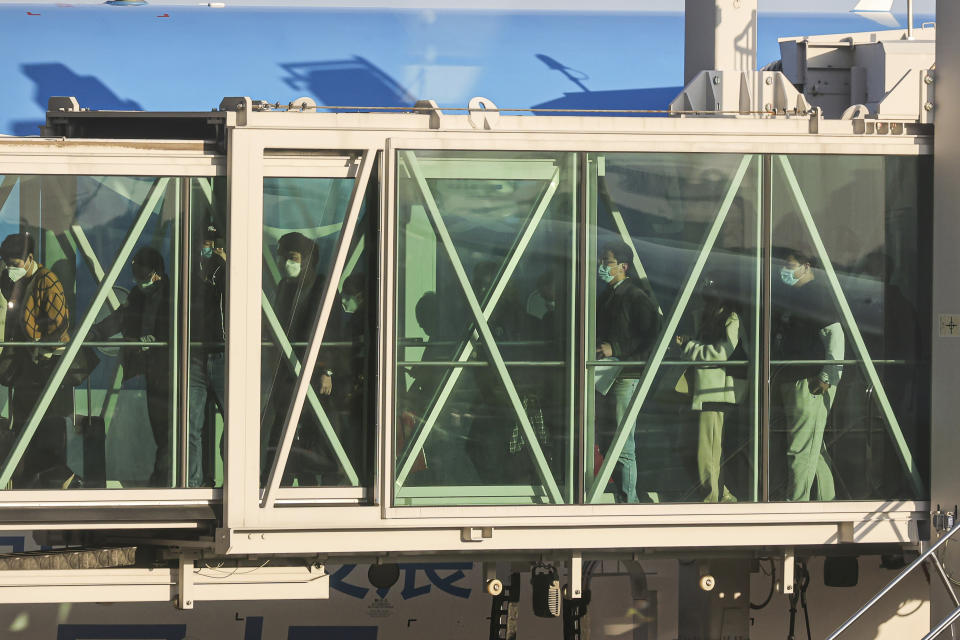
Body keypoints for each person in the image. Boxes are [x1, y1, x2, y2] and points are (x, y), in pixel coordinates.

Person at [91, 247, 171, 486]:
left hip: (166, 369)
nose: (139, 282)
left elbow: (178, 327)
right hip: (143, 369)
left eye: (143, 277)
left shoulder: (173, 295)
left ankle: (163, 478)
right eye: (136, 277)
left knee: (165, 427)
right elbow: (119, 318)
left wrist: (158, 342)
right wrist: (95, 332)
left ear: (156, 273)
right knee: (151, 425)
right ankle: (155, 477)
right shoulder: (137, 295)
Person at [0, 232, 74, 488]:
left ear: (30, 259)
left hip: (43, 364)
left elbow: (59, 322)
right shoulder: (17, 282)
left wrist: (42, 346)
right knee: (26, 426)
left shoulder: (47, 281)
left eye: (15, 264)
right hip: (27, 365)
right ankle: (34, 479)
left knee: (41, 428)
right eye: (7, 264)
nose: (11, 269)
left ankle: (62, 480)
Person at [261, 231, 336, 486]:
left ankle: (305, 480)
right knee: (283, 426)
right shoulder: (285, 286)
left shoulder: (322, 287)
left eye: (292, 257)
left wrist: (327, 371)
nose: (285, 264)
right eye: (282, 258)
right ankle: (277, 479)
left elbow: (330, 331)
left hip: (312, 372)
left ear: (307, 260)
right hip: (286, 372)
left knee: (309, 429)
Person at [773, 247, 844, 501]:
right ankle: (827, 502)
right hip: (794, 379)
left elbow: (835, 336)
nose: (785, 271)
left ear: (807, 267)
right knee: (813, 448)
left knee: (801, 449)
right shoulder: (796, 296)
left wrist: (826, 377)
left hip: (810, 382)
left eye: (790, 266)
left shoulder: (815, 296)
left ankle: (797, 505)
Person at [595, 239, 661, 503]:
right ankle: (623, 497)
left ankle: (629, 502)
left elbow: (653, 338)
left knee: (623, 443)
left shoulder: (635, 296)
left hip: (626, 376)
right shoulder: (608, 295)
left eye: (607, 262)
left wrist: (616, 348)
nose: (601, 266)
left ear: (623, 266)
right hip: (608, 376)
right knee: (610, 439)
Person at [675, 278, 743, 503]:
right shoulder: (705, 315)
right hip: (703, 389)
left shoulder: (730, 318)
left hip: (716, 390)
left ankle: (712, 496)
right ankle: (718, 493)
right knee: (705, 448)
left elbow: (723, 353)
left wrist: (689, 346)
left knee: (709, 449)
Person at [188, 224, 226, 487]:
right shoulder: (189, 270)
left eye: (211, 243)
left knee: (233, 422)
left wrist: (225, 266)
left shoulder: (225, 270)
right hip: (195, 355)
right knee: (191, 425)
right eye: (204, 242)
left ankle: (236, 481)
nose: (207, 248)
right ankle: (193, 481)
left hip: (223, 355)